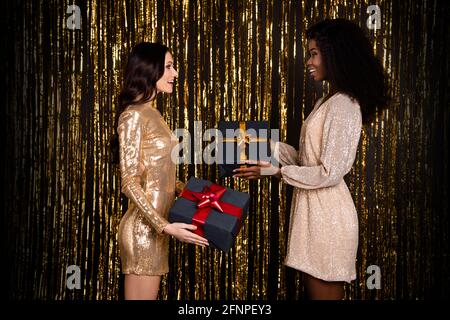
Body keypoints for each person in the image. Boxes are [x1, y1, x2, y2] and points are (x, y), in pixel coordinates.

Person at [233, 19, 387, 300]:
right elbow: (307, 161)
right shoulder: (327, 101)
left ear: (335, 55)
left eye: (313, 53)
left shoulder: (344, 105)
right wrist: (266, 147)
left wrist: (277, 172)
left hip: (328, 218)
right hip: (314, 214)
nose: (308, 61)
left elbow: (329, 172)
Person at [112, 42, 209, 300]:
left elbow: (159, 174)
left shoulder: (152, 114)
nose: (175, 73)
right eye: (168, 66)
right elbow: (130, 181)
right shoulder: (133, 116)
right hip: (144, 230)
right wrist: (165, 227)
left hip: (157, 229)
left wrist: (193, 192)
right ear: (148, 69)